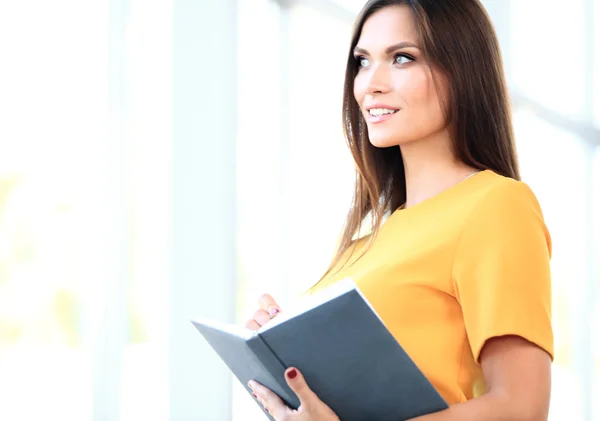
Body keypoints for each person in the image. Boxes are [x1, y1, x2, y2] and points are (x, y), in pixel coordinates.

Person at [245, 0, 553, 420]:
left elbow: (522, 407)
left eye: (402, 58)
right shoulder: (362, 246)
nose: (370, 83)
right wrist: (281, 349)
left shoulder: (496, 205)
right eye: (362, 61)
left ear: (461, 70)